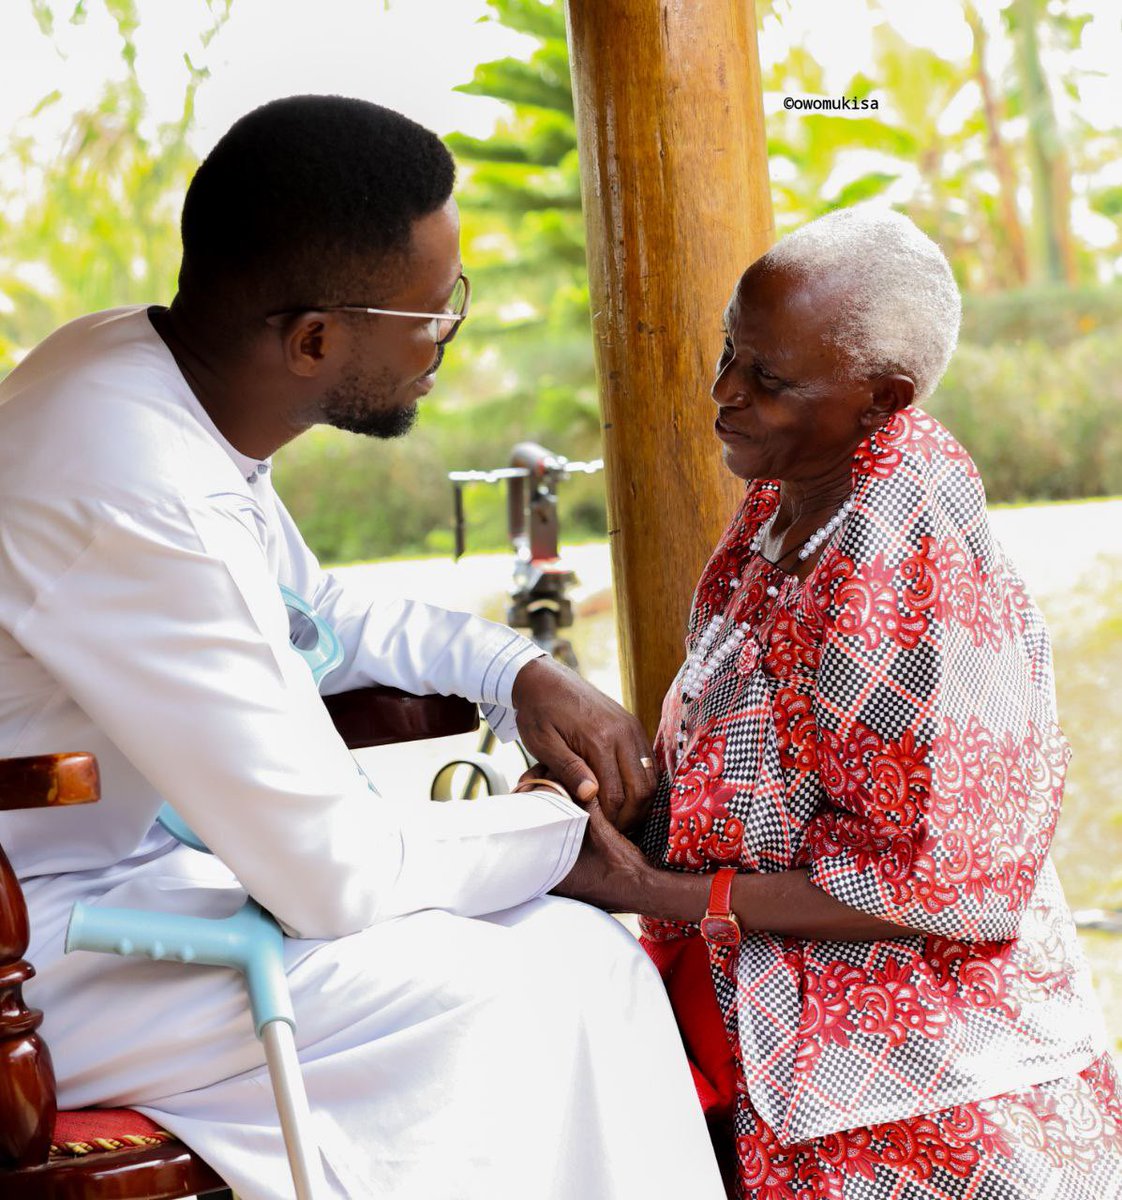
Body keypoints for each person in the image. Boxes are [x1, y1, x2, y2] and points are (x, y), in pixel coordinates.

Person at [0, 95, 726, 1199]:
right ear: (315, 340)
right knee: (499, 994)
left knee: (580, 960)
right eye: (433, 314)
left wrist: (512, 670)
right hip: (37, 942)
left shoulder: (143, 378)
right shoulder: (132, 484)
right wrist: (550, 836)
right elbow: (328, 877)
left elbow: (313, 620)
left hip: (113, 884)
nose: (446, 338)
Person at [558, 206, 1122, 1197]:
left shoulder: (908, 561)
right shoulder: (796, 493)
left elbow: (937, 886)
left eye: (768, 379)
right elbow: (776, 774)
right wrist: (628, 809)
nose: (724, 393)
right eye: (730, 350)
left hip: (927, 1108)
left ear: (880, 398)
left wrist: (652, 891)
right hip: (813, 1061)